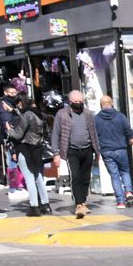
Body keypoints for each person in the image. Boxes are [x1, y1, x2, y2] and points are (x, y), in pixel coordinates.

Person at [51, 90, 100, 219]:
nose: (78, 104)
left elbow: (93, 133)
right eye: (76, 102)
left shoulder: (88, 114)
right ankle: (78, 203)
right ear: (70, 102)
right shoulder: (62, 114)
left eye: (81, 102)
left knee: (85, 177)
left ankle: (83, 201)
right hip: (71, 150)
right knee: (76, 176)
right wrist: (55, 153)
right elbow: (55, 134)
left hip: (87, 149)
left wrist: (97, 151)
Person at [6, 97, 49, 216]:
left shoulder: (27, 115)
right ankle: (46, 205)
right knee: (39, 177)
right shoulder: (40, 114)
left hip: (26, 148)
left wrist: (9, 130)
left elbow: (18, 134)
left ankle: (34, 206)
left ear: (21, 103)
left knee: (29, 178)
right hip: (38, 149)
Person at [94, 95, 133, 209]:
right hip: (121, 150)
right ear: (112, 103)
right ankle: (128, 192)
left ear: (101, 105)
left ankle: (120, 202)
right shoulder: (120, 117)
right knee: (125, 172)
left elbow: (94, 137)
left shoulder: (96, 119)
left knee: (114, 176)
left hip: (106, 151)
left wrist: (96, 153)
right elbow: (130, 133)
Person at [0, 84, 23, 194]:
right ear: (5, 93)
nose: (13, 95)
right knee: (12, 162)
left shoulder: (12, 104)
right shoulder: (4, 105)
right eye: (11, 93)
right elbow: (6, 123)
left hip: (15, 136)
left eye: (15, 93)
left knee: (15, 161)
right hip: (10, 138)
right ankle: (13, 188)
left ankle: (18, 185)